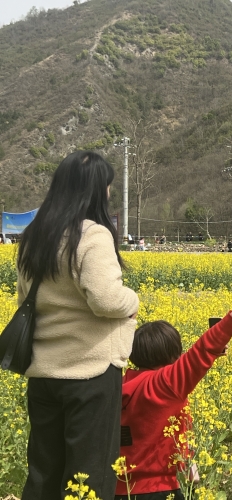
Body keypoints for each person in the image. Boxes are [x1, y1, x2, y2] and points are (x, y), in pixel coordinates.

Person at [16, 151, 139, 499]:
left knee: (44, 474)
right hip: (90, 374)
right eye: (108, 186)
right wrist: (134, 301)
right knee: (90, 476)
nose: (110, 192)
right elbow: (107, 299)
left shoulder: (34, 236)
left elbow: (26, 300)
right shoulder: (92, 235)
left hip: (43, 374)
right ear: (96, 189)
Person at [115, 280, 232, 499]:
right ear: (174, 354)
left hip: (118, 488)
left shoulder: (117, 384)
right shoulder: (165, 383)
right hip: (160, 488)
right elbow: (202, 351)